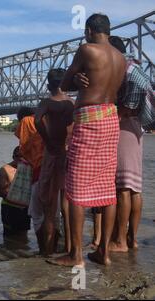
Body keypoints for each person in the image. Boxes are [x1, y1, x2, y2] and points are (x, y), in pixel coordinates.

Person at [50, 13, 126, 267]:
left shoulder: (86, 50)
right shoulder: (121, 58)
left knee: (76, 190)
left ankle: (76, 255)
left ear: (90, 30)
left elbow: (64, 82)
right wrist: (82, 79)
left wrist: (76, 78)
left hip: (89, 118)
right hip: (111, 119)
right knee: (107, 189)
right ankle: (103, 252)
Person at [75, 36, 147, 252]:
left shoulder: (125, 68)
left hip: (123, 125)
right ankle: (130, 239)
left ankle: (120, 241)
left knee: (123, 186)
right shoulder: (134, 67)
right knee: (134, 187)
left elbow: (129, 103)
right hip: (135, 128)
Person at [34, 68, 75, 255]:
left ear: (49, 85)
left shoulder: (47, 102)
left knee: (50, 208)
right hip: (69, 154)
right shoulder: (72, 103)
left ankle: (48, 251)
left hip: (52, 153)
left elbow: (36, 120)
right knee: (68, 205)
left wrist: (47, 140)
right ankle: (70, 248)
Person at [15, 107, 45, 253]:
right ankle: (55, 246)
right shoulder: (45, 120)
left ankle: (43, 249)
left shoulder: (27, 121)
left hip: (39, 171)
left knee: (36, 214)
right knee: (53, 213)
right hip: (55, 170)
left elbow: (23, 148)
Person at [0, 146, 31, 238]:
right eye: (17, 156)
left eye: (23, 156)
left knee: (24, 235)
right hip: (9, 207)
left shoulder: (28, 169)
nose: (20, 158)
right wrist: (15, 197)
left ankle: (21, 252)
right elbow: (0, 191)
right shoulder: (5, 169)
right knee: (9, 236)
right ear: (13, 156)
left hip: (24, 208)